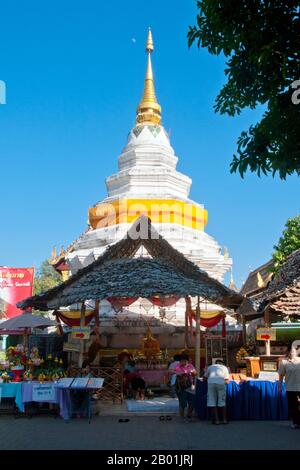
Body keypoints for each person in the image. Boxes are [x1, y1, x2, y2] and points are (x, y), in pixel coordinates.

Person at [278, 346, 300, 429]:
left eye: (293, 351)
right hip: (290, 387)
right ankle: (296, 423)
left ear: (296, 352)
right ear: (288, 352)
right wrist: (279, 386)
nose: (292, 353)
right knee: (293, 406)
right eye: (290, 351)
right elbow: (281, 375)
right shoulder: (284, 362)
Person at [204, 359, 230, 425]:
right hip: (221, 383)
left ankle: (217, 420)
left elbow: (204, 378)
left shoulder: (210, 367)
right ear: (222, 364)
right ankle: (224, 420)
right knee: (222, 401)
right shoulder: (225, 368)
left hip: (211, 384)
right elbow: (227, 380)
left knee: (212, 402)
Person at [174, 354, 197, 419]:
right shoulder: (178, 366)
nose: (182, 362)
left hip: (190, 386)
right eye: (181, 361)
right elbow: (171, 371)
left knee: (192, 401)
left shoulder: (190, 366)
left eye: (184, 361)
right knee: (182, 402)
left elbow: (195, 373)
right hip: (182, 387)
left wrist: (192, 373)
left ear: (187, 361)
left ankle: (189, 414)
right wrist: (178, 373)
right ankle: (182, 416)